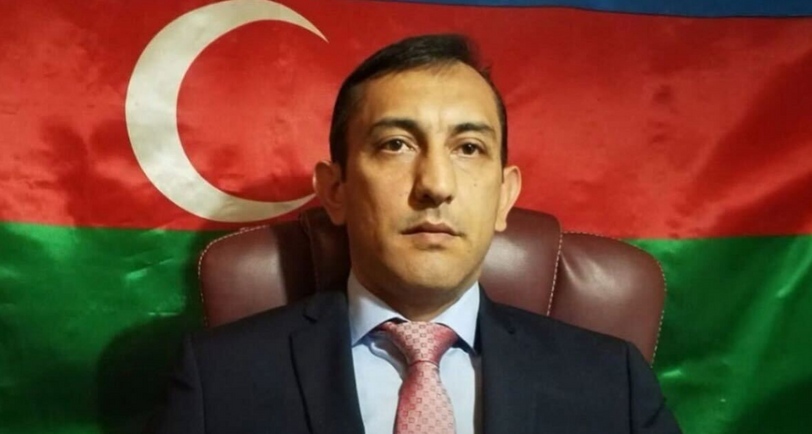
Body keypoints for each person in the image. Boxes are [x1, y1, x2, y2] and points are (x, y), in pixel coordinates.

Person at [152, 34, 681, 434]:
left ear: (504, 196)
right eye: (396, 145)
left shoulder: (612, 382)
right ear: (335, 190)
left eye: (468, 148)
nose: (435, 185)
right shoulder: (219, 379)